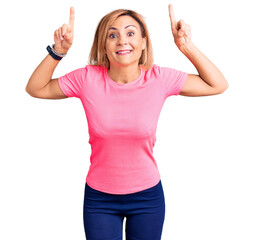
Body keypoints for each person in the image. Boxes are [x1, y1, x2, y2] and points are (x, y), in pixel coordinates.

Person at [25, 4, 229, 240]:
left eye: (130, 33)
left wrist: (185, 46)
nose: (122, 40)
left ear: (143, 42)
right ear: (104, 45)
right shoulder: (87, 78)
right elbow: (35, 88)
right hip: (100, 199)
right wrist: (57, 52)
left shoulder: (159, 78)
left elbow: (218, 85)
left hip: (147, 197)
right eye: (113, 35)